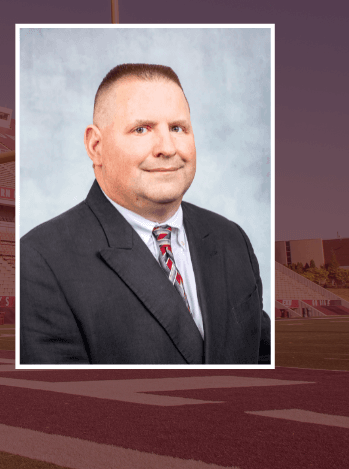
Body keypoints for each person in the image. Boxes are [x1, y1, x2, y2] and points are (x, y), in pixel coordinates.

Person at [20, 63, 270, 365]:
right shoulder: (40, 260)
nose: (167, 147)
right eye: (142, 129)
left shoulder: (232, 240)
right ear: (95, 146)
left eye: (177, 128)